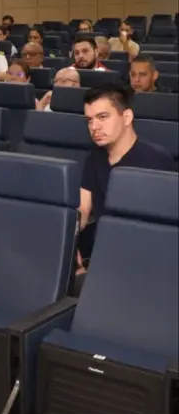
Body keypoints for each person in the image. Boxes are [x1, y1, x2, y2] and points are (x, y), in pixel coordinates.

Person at [76, 85, 175, 289]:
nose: (94, 127)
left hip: (141, 264)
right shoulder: (94, 158)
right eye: (89, 120)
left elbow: (160, 233)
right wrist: (69, 240)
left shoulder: (156, 161)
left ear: (127, 117)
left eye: (102, 117)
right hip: (101, 253)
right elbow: (83, 209)